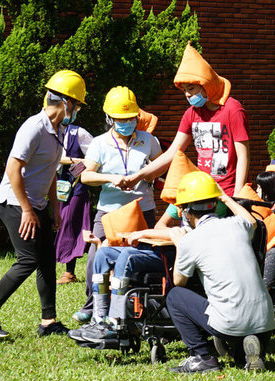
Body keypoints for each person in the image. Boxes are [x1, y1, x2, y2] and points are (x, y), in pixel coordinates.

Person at [0, 70, 86, 338]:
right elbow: (13, 168)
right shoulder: (34, 127)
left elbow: (51, 173)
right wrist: (27, 210)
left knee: (46, 261)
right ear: (66, 102)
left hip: (38, 205)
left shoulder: (58, 131)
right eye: (77, 104)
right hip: (14, 203)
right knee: (29, 259)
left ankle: (49, 322)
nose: (77, 110)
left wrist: (54, 209)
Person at [166, 171, 275, 373]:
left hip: (229, 324)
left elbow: (179, 282)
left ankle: (202, 357)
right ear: (216, 204)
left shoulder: (189, 241)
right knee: (239, 356)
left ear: (186, 212)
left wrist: (179, 244)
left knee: (174, 297)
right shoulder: (238, 225)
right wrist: (224, 196)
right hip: (266, 321)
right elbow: (252, 221)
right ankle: (250, 349)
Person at [72, 86, 161, 323]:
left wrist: (147, 176)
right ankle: (93, 305)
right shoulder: (100, 143)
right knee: (96, 256)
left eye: (130, 118)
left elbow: (160, 168)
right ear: (109, 118)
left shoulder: (149, 140)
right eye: (120, 119)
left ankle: (144, 306)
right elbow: (86, 176)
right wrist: (111, 178)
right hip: (109, 211)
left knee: (144, 256)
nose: (126, 122)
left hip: (144, 209)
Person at [118, 43, 249, 197]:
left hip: (229, 192)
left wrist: (238, 195)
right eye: (184, 90)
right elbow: (172, 152)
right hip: (203, 191)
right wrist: (137, 176)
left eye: (191, 88)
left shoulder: (233, 109)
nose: (187, 94)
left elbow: (243, 155)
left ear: (206, 84)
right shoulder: (191, 114)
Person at [68, 206, 183, 343]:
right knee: (103, 254)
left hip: (174, 255)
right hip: (159, 247)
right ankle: (98, 319)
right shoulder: (179, 201)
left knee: (127, 256)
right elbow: (160, 225)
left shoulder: (208, 209)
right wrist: (165, 233)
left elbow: (186, 234)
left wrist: (145, 233)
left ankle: (115, 322)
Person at [54, 121, 94, 284]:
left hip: (75, 188)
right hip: (54, 188)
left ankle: (69, 272)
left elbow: (95, 158)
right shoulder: (47, 132)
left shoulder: (79, 133)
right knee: (57, 225)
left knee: (70, 224)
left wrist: (70, 161)